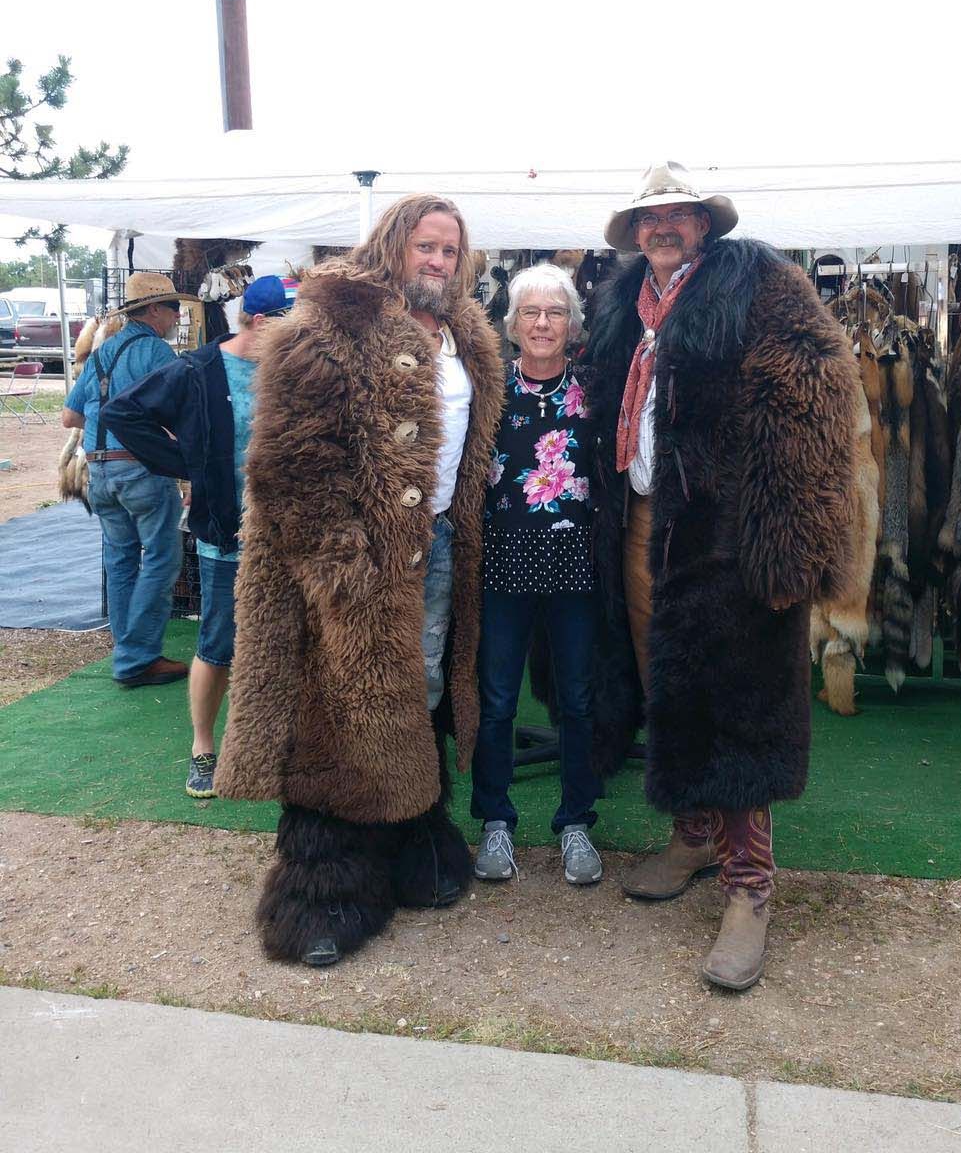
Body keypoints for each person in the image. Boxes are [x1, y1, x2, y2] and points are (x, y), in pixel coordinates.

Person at [582, 161, 858, 991]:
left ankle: (751, 887)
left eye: (678, 214)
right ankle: (695, 836)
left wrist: (789, 543)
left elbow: (815, 398)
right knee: (665, 680)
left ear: (705, 224)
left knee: (739, 702)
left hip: (729, 537)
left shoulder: (762, 284)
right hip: (643, 524)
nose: (662, 226)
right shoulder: (624, 302)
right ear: (634, 231)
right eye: (649, 215)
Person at [213, 196, 504, 967]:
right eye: (425, 246)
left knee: (422, 693)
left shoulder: (468, 335)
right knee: (334, 705)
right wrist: (344, 570)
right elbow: (292, 465)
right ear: (391, 246)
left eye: (451, 249)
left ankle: (414, 842)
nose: (438, 261)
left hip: (437, 546)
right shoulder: (328, 324)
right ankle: (323, 894)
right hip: (349, 561)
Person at [103, 276, 291, 799]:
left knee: (285, 642)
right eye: (286, 326)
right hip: (226, 532)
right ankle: (203, 748)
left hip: (291, 536)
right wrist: (188, 464)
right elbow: (124, 412)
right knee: (217, 642)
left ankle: (271, 746)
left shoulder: (296, 369)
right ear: (259, 322)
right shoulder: (200, 369)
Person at [471, 263, 603, 886]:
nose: (543, 323)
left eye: (554, 312)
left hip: (576, 566)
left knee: (577, 701)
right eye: (531, 312)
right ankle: (495, 819)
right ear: (514, 324)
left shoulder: (595, 392)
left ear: (573, 325)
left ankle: (576, 822)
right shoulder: (489, 393)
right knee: (496, 701)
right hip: (503, 563)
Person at [61, 272, 197, 689]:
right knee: (161, 559)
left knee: (120, 560)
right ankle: (138, 658)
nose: (177, 314)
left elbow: (71, 417)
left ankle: (128, 649)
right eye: (173, 307)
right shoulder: (156, 352)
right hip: (141, 468)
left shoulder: (102, 354)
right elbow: (185, 413)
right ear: (154, 309)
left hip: (99, 469)